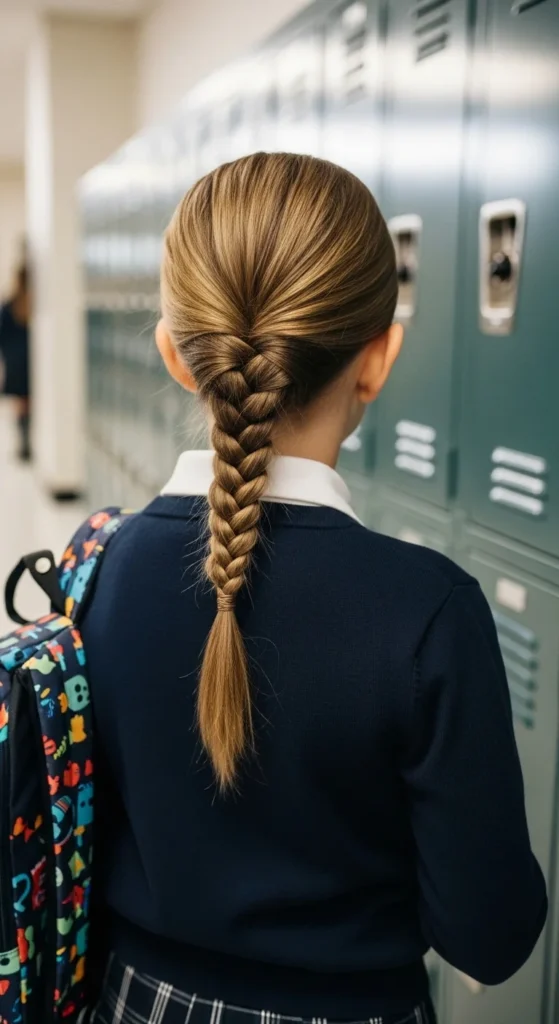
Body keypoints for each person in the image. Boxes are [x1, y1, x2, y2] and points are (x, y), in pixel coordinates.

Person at [84, 154, 546, 1024]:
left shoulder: (100, 573)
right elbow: (489, 934)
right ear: (378, 359)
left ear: (176, 358)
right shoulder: (427, 613)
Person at [0, 263, 31, 460]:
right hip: (30, 361)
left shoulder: (9, 306)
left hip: (15, 361)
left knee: (20, 403)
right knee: (30, 401)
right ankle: (29, 442)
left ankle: (24, 443)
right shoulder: (33, 305)